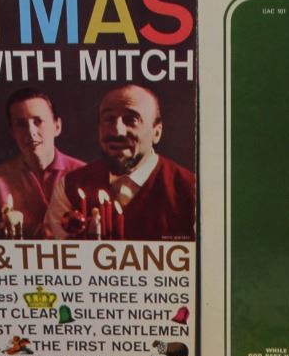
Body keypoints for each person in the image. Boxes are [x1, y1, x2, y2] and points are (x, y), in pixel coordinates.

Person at [43, 83, 195, 239]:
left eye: (131, 120)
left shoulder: (192, 191)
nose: (117, 131)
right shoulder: (70, 187)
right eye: (109, 119)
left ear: (156, 132)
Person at [0, 88, 84, 238]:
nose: (31, 131)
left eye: (38, 121)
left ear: (57, 126)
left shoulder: (82, 173)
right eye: (21, 124)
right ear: (13, 132)